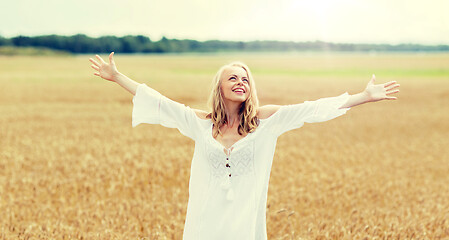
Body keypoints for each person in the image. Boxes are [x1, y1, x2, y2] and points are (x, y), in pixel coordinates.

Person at [89, 52, 400, 239]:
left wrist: (363, 97)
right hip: (204, 223)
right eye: (233, 78)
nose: (241, 82)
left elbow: (312, 108)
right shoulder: (201, 123)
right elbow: (160, 103)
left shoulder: (267, 122)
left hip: (243, 225)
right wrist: (117, 77)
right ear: (220, 88)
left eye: (246, 79)